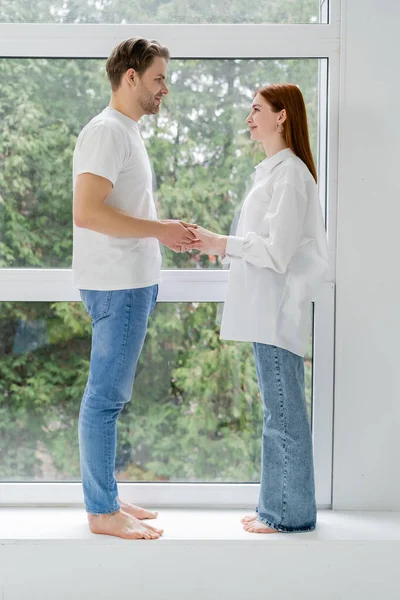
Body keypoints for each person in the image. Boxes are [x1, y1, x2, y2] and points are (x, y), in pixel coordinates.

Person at [185, 83, 329, 534]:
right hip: (265, 309)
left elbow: (278, 251)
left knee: (283, 413)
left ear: (282, 115)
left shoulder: (290, 174)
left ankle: (290, 514)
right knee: (277, 410)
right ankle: (276, 506)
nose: (249, 118)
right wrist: (220, 246)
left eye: (256, 109)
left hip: (278, 311)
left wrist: (219, 242)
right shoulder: (271, 171)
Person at [72, 37, 197, 540]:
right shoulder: (107, 132)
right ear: (130, 77)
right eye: (158, 78)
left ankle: (108, 497)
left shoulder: (125, 131)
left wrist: (161, 234)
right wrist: (160, 229)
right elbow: (87, 212)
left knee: (111, 398)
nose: (164, 88)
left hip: (131, 285)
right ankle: (102, 512)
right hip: (118, 287)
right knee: (104, 399)